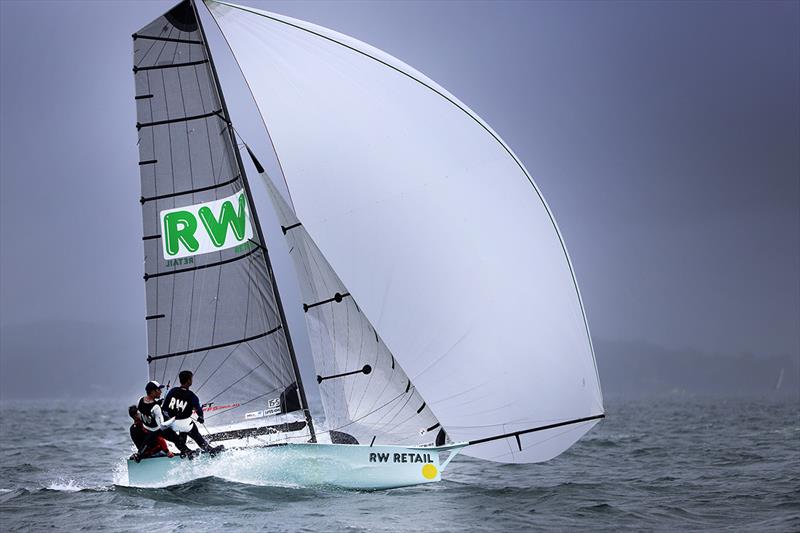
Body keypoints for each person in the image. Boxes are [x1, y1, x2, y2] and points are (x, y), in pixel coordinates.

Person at [162, 370, 222, 455]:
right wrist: (201, 417)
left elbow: (164, 408)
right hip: (185, 423)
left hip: (172, 423)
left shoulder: (172, 391)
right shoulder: (192, 395)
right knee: (195, 434)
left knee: (182, 430)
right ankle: (210, 450)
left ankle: (184, 451)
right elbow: (198, 409)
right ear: (189, 381)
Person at [132, 381, 191, 462]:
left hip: (148, 429)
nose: (160, 391)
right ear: (152, 391)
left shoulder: (140, 400)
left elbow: (143, 410)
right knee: (177, 437)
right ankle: (187, 452)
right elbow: (162, 425)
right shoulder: (156, 407)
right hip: (158, 429)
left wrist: (157, 404)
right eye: (158, 389)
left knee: (148, 441)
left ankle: (138, 455)